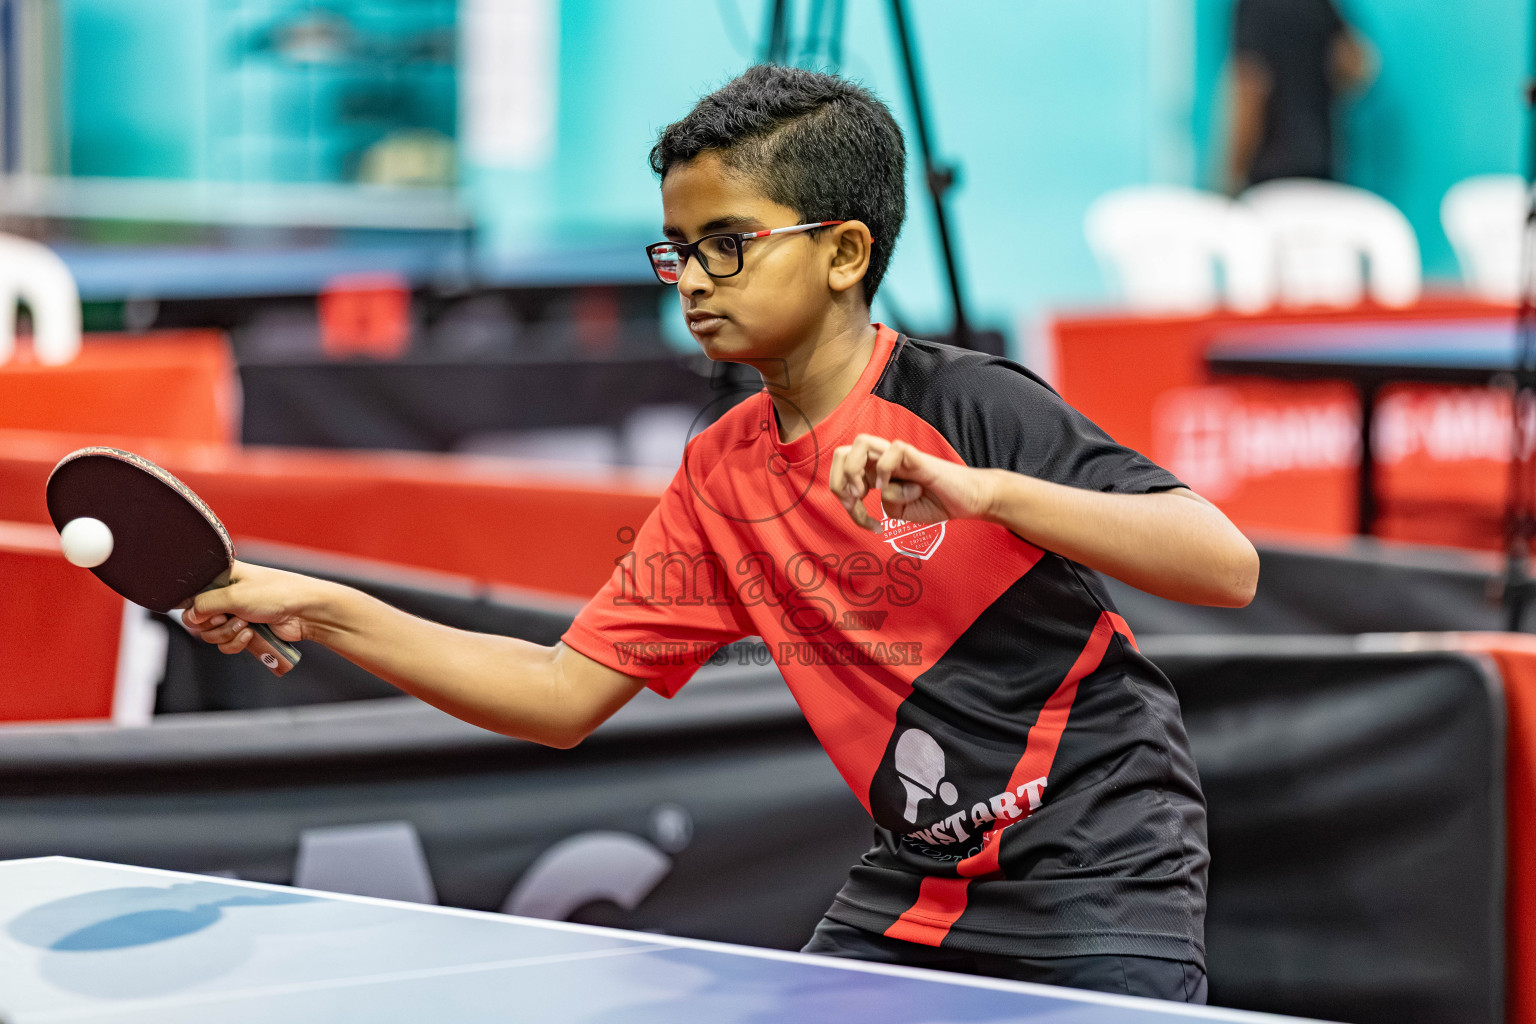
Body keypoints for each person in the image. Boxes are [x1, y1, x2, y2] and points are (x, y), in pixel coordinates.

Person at [185, 65, 1258, 1003]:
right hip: (925, 881)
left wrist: (982, 494)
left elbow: (1223, 563)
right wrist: (321, 606)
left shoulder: (965, 403)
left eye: (730, 245)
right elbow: (559, 696)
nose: (693, 279)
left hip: (1102, 864)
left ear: (844, 252)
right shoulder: (723, 470)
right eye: (681, 248)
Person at [1225, 0, 1376, 193]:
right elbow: (1357, 65)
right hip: (1320, 166)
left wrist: (1231, 177)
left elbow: (1251, 90)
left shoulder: (1253, 5)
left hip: (1270, 179)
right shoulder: (1320, 5)